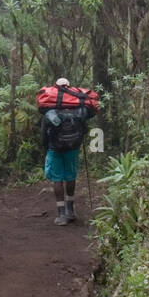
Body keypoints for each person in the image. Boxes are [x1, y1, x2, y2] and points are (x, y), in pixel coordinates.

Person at [39, 77, 98, 225]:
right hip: (73, 148)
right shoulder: (80, 108)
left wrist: (46, 148)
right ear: (70, 88)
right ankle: (70, 210)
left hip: (55, 148)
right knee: (70, 177)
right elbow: (85, 128)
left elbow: (43, 133)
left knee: (57, 179)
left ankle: (61, 214)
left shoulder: (49, 109)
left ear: (55, 89)